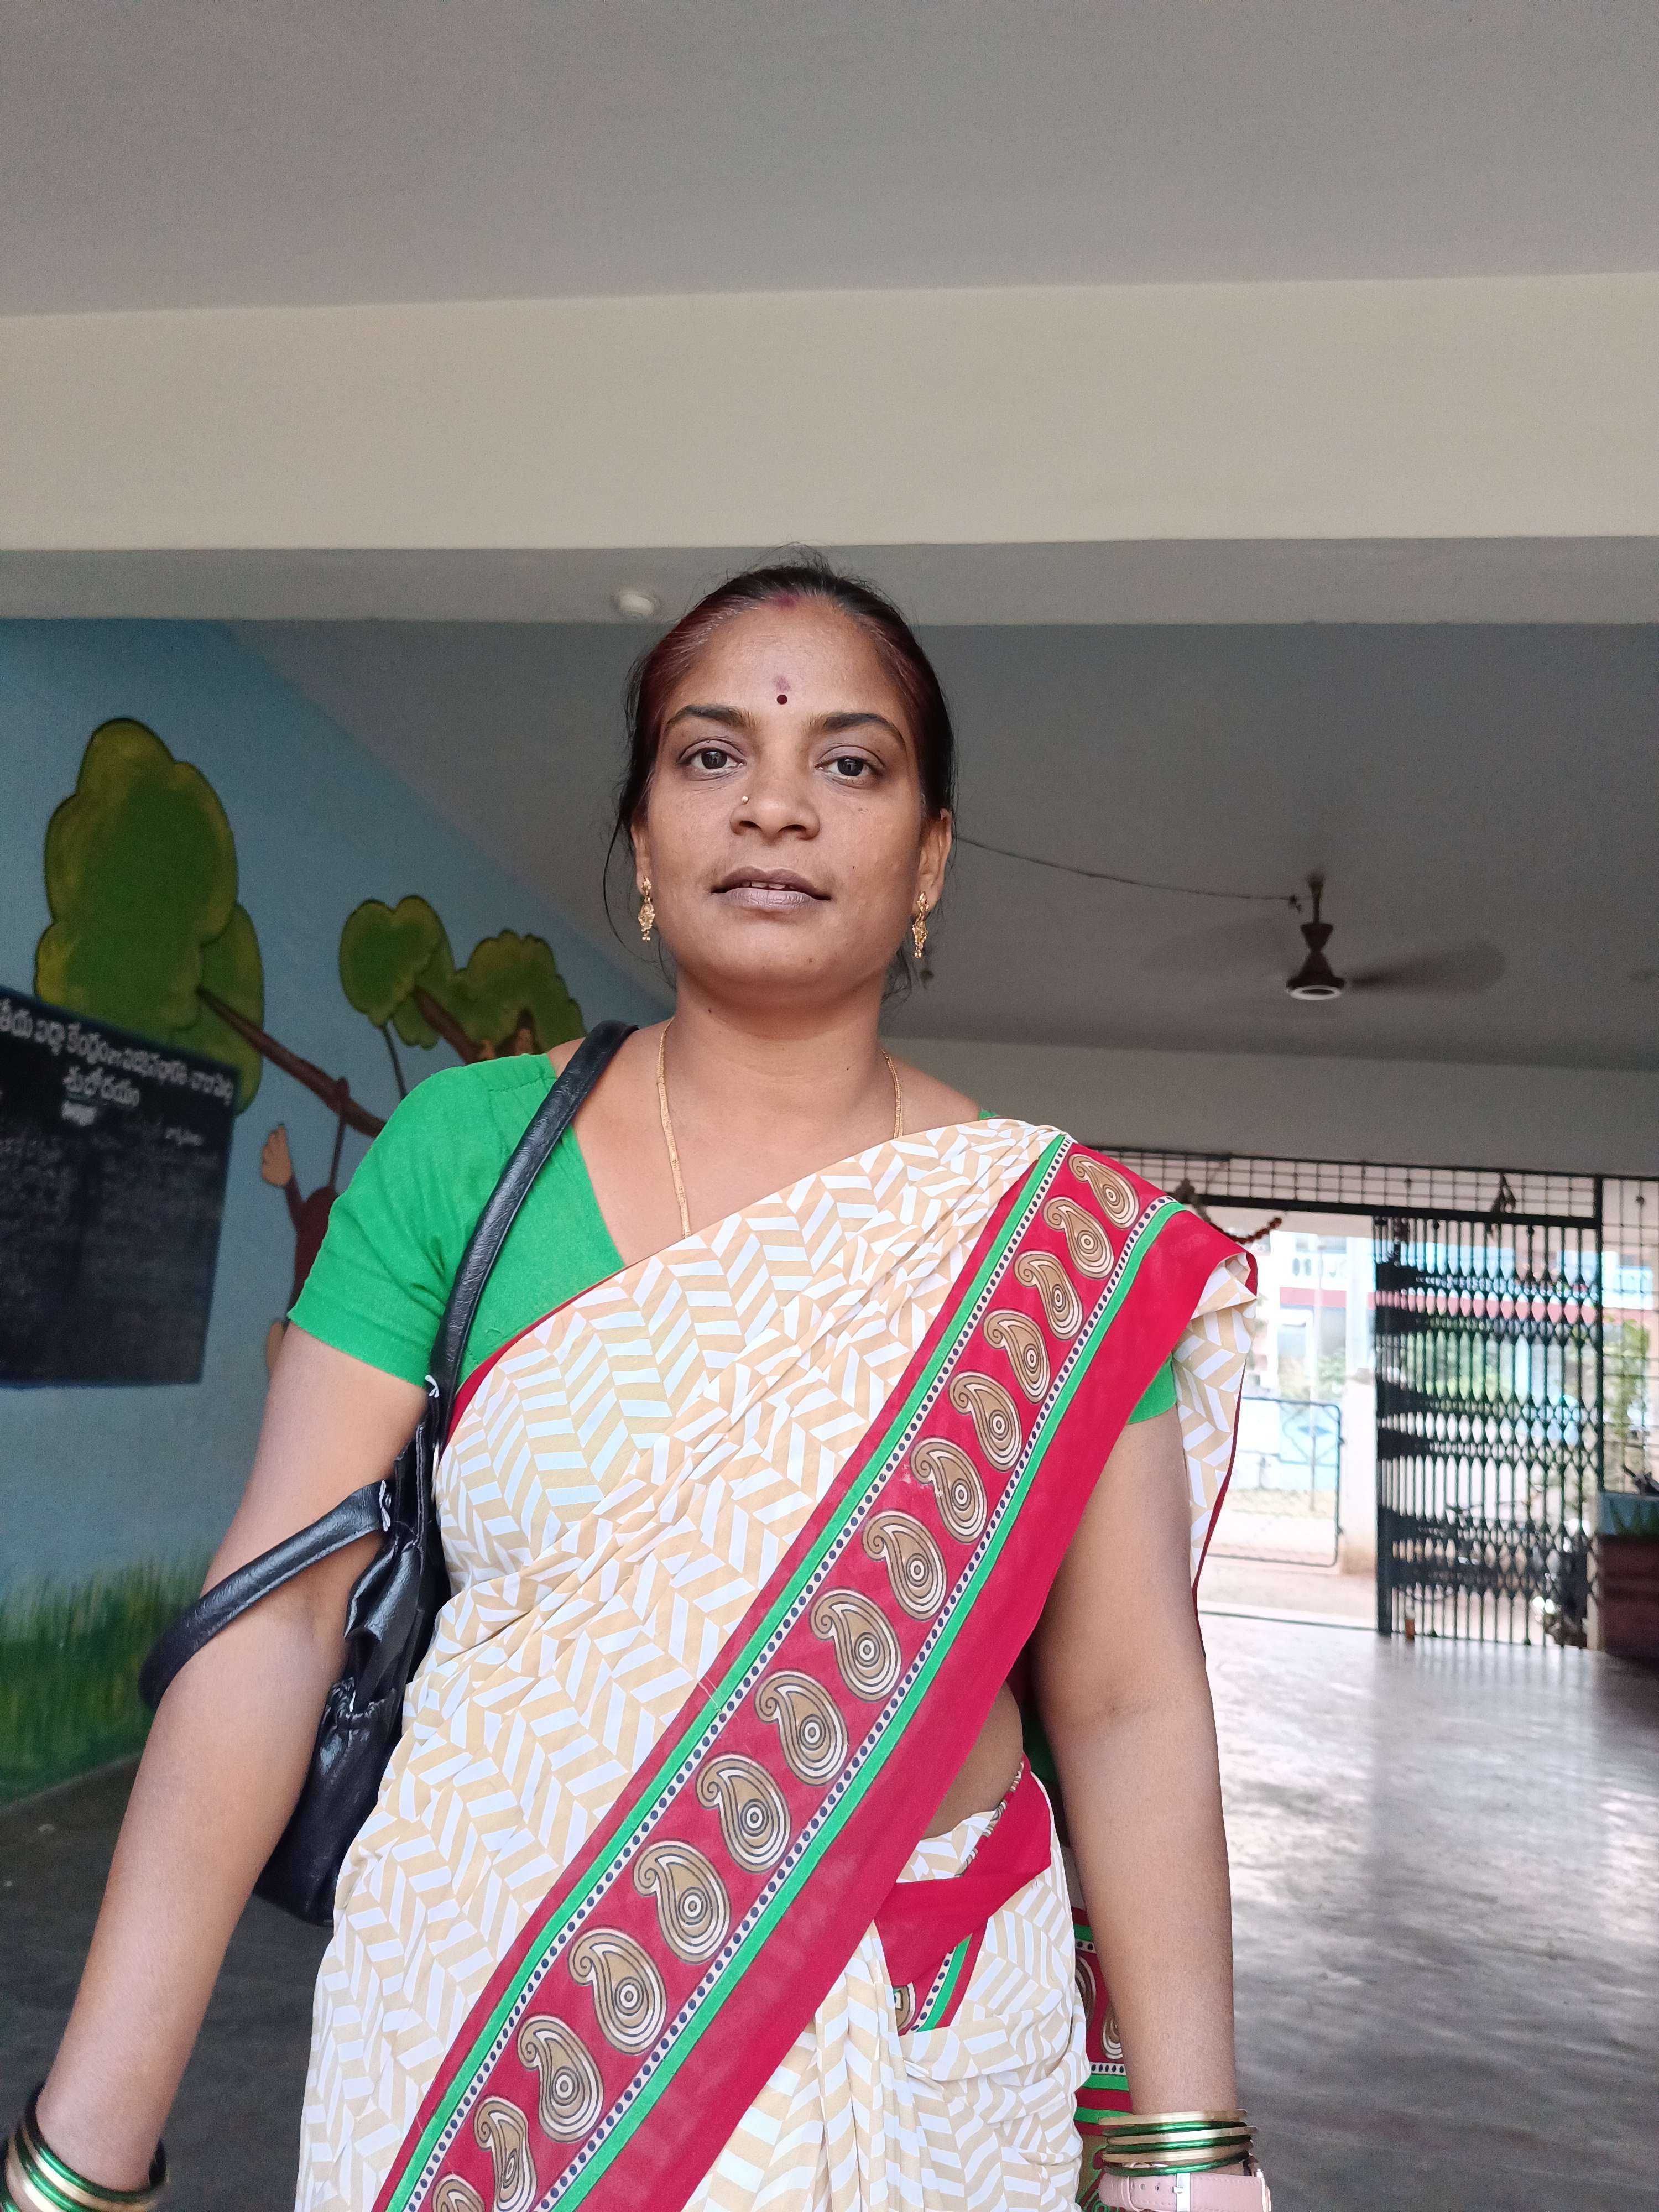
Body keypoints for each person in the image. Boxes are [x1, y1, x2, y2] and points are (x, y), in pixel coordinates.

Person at [13, 560, 1261, 2212]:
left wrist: (1192, 2149)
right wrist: (80, 2154)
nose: (775, 806)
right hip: (493, 2032)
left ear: (930, 858)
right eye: (710, 753)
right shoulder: (469, 1155)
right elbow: (277, 1625)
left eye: (851, 761)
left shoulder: (1052, 1242)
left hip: (928, 2046)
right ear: (645, 842)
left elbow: (1125, 1700)